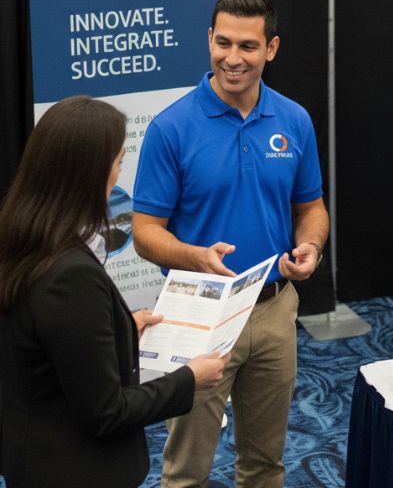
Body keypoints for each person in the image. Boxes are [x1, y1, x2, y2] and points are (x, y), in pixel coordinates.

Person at [132, 0, 328, 488]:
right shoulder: (171, 128)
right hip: (198, 311)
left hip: (273, 307)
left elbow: (311, 209)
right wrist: (196, 256)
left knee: (265, 463)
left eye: (247, 46)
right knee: (186, 471)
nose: (232, 58)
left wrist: (311, 246)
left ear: (271, 48)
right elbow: (145, 234)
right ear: (209, 40)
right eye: (223, 43)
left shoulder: (294, 120)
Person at [0, 96, 227, 488]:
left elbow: (45, 342)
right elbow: (106, 412)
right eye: (119, 162)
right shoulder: (70, 275)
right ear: (91, 173)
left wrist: (119, 329)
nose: (119, 175)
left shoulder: (22, 237)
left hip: (32, 454)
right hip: (75, 470)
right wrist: (190, 379)